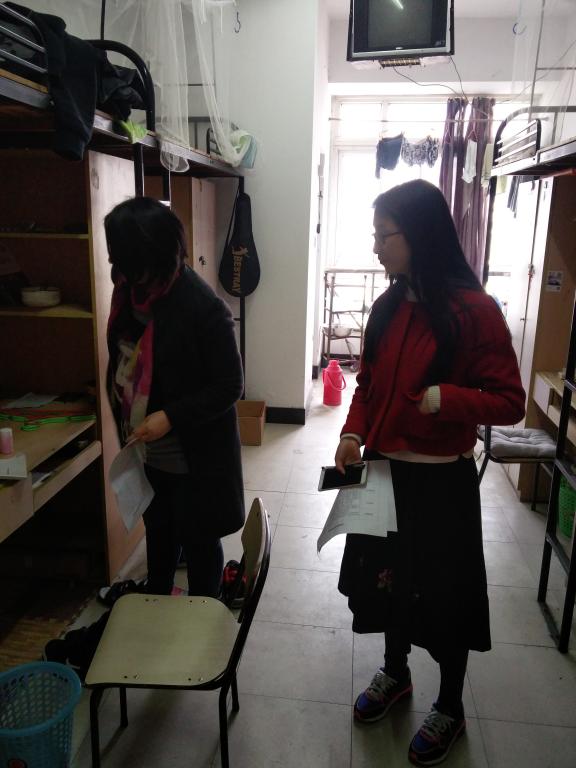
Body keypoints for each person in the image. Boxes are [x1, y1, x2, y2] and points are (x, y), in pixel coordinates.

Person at [334, 180, 525, 766]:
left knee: (445, 595)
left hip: (442, 484)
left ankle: (450, 704)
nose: (375, 247)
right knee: (388, 580)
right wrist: (352, 433)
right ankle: (396, 672)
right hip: (384, 473)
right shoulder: (389, 306)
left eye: (383, 235)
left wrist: (448, 399)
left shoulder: (475, 311)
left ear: (418, 235)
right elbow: (367, 384)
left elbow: (509, 402)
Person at [105, 196, 245, 598]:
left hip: (194, 455)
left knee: (199, 541)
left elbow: (229, 385)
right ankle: (158, 601)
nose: (122, 272)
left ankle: (204, 616)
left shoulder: (203, 308)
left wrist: (170, 416)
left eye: (129, 263)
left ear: (156, 255)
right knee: (160, 532)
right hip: (147, 449)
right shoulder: (129, 291)